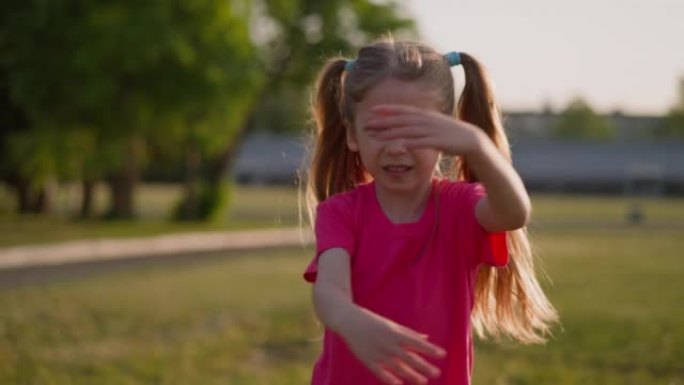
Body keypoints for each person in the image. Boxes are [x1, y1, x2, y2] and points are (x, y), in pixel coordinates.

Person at [301, 37, 558, 385]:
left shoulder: (461, 207)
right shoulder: (342, 213)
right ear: (352, 135)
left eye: (415, 130)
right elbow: (329, 291)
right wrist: (349, 320)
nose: (396, 147)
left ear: (446, 132)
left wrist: (477, 145)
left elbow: (515, 213)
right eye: (379, 130)